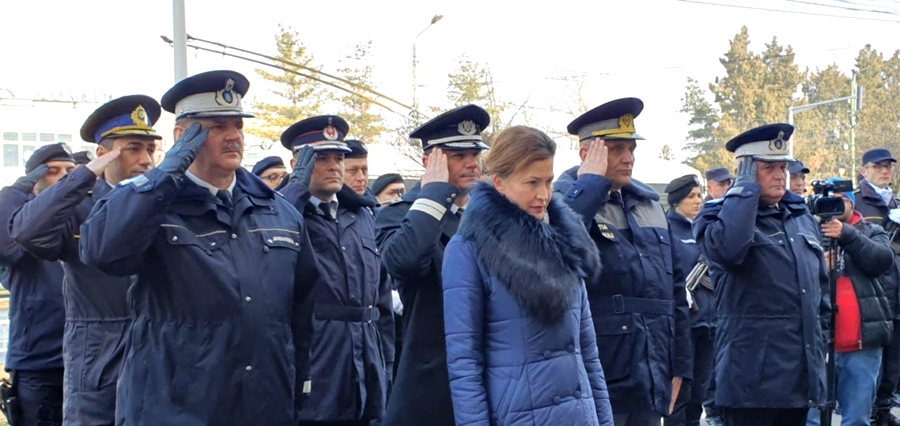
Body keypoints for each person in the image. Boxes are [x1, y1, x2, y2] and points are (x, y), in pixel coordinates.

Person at [78, 70, 320, 425]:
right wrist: (165, 176)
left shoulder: (277, 210)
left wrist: (298, 394)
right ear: (182, 136)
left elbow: (299, 316)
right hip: (175, 410)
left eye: (238, 125)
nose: (233, 136)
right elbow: (102, 251)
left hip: (264, 407)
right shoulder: (150, 202)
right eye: (217, 126)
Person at [442, 125, 613, 425]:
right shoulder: (468, 249)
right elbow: (465, 362)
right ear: (499, 182)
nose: (543, 194)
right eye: (532, 182)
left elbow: (588, 352)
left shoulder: (568, 239)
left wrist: (604, 420)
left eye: (548, 181)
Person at [10, 95, 161, 425]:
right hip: (99, 363)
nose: (146, 160)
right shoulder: (81, 206)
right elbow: (27, 233)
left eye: (150, 149)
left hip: (160, 357)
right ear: (103, 154)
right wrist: (83, 176)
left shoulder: (161, 202)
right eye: (133, 149)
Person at [554, 97, 692, 426]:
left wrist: (681, 366)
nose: (628, 158)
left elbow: (675, 293)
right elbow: (558, 253)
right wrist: (590, 184)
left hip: (652, 368)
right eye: (616, 149)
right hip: (599, 372)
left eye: (631, 149)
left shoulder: (649, 205)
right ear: (586, 155)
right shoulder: (563, 201)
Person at [693, 123, 828, 426]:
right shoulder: (718, 215)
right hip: (751, 383)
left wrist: (821, 340)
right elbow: (728, 250)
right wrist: (744, 193)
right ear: (743, 172)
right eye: (769, 168)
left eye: (783, 167)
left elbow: (820, 290)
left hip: (799, 377)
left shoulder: (800, 218)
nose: (780, 175)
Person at [375, 104, 489, 426]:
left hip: (490, 374)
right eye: (458, 155)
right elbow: (405, 262)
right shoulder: (399, 214)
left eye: (475, 154)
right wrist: (435, 194)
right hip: (434, 386)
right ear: (430, 163)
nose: (472, 163)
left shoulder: (488, 215)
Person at [277, 115, 393, 426]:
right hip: (318, 363)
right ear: (297, 164)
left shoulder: (361, 215)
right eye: (321, 158)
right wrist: (295, 191)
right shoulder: (283, 215)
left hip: (367, 362)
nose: (334, 166)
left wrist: (386, 360)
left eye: (339, 158)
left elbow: (381, 294)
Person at [805, 180, 893, 426]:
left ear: (853, 204)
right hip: (817, 344)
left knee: (857, 419)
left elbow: (883, 261)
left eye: (841, 199)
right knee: (811, 420)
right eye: (828, 200)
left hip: (862, 345)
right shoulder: (807, 232)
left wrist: (847, 235)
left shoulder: (871, 231)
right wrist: (818, 268)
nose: (833, 206)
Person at [0, 143, 73, 426]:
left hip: (86, 359)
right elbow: (7, 248)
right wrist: (15, 191)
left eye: (70, 171)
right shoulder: (22, 225)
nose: (64, 177)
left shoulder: (83, 216)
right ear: (34, 181)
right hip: (39, 363)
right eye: (53, 171)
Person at [663, 175, 714, 426]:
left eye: (699, 195)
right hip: (684, 323)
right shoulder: (668, 230)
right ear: (677, 201)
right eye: (691, 196)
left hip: (708, 322)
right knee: (680, 393)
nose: (697, 201)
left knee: (699, 393)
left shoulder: (703, 228)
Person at [854, 148, 900, 426]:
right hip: (870, 292)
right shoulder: (855, 202)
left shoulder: (896, 203)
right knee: (870, 360)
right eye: (878, 166)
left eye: (889, 166)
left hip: (897, 291)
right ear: (864, 171)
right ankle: (868, 411)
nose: (885, 171)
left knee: (894, 359)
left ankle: (883, 409)